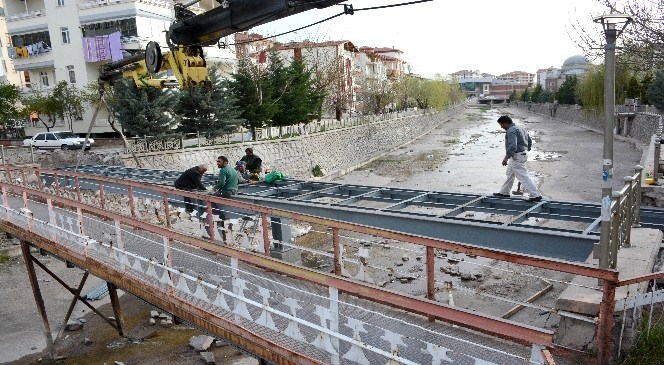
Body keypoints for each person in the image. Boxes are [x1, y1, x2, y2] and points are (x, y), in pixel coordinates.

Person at [493, 115, 542, 202]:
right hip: (521, 154)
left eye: (501, 125)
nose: (501, 127)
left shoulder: (511, 131)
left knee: (522, 176)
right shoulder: (520, 128)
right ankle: (504, 192)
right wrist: (528, 148)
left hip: (517, 156)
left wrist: (506, 158)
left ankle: (535, 195)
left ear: (506, 123)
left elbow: (512, 146)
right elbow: (529, 140)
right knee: (510, 174)